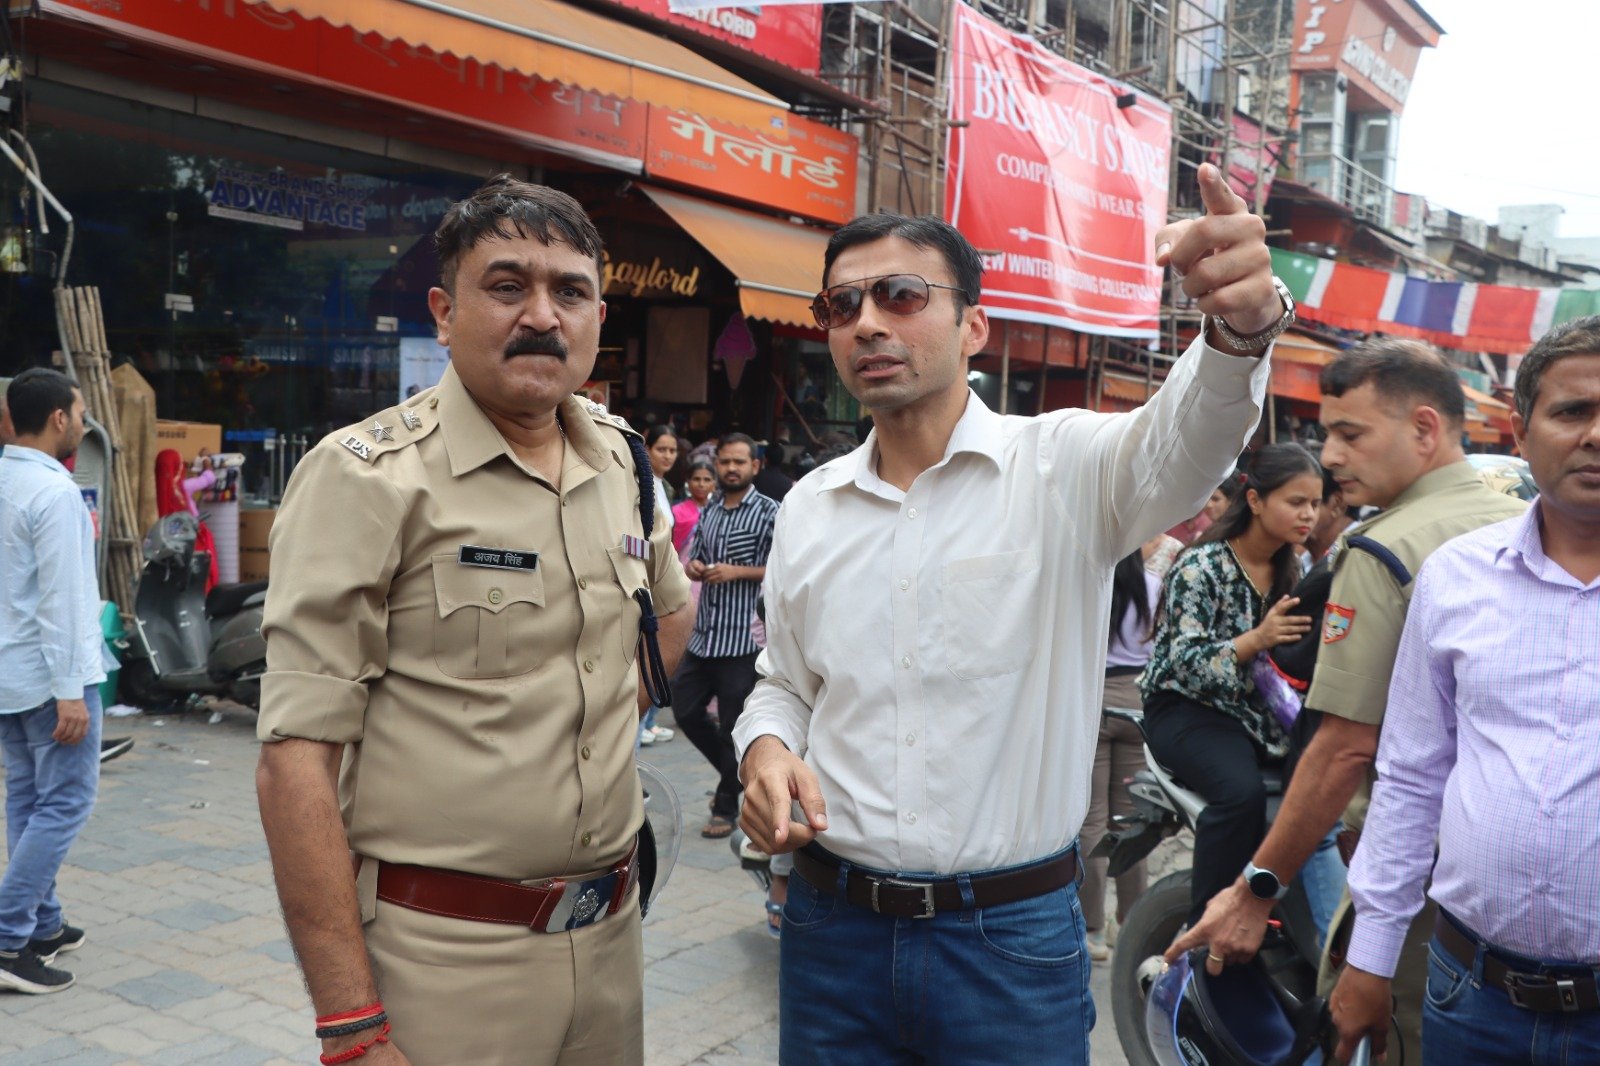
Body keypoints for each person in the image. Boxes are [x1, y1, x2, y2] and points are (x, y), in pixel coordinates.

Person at [733, 162, 1292, 1063]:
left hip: (1007, 943)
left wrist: (1238, 330)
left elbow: (1185, 443)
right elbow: (784, 684)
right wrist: (764, 750)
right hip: (831, 930)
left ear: (973, 327)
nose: (867, 322)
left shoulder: (1063, 467)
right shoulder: (810, 506)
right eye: (841, 305)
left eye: (900, 295)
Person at [254, 175, 694, 1066]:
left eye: (570, 291)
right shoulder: (368, 477)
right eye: (507, 286)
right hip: (444, 960)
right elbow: (295, 760)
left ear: (598, 316)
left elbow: (669, 617)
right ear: (445, 312)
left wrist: (583, 730)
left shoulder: (622, 460)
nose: (542, 315)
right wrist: (351, 1027)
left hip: (612, 942)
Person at [1166, 339, 1527, 1061]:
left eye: (1350, 434)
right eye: (1328, 435)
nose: (1330, 457)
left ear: (1424, 428)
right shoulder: (1522, 522)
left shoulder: (1381, 550)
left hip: (1415, 884)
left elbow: (1344, 749)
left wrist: (1255, 890)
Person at [1330, 317, 1600, 1065]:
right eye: (1572, 411)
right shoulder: (1454, 577)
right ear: (1521, 430)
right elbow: (1412, 776)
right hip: (1471, 998)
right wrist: (1370, 956)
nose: (1595, 435)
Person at [1140, 443, 1322, 925]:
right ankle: (1211, 927)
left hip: (1256, 714)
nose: (1308, 514)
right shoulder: (1200, 566)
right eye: (1296, 502)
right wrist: (1257, 639)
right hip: (1187, 710)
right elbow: (1183, 663)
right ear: (1256, 500)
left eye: (1315, 503)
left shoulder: (1294, 570)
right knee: (1241, 795)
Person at [0, 368, 108, 994]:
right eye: (82, 414)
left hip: (11, 675)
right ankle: (8, 937)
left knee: (27, 798)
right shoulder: (55, 492)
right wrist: (71, 690)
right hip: (50, 679)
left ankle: (42, 923)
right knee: (64, 802)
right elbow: (63, 600)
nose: (85, 425)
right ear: (59, 418)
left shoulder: (6, 480)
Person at [672, 432, 779, 839]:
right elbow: (694, 554)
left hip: (741, 639)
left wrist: (738, 572)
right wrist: (695, 566)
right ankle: (736, 778)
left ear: (755, 466)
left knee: (733, 724)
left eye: (739, 462)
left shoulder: (769, 511)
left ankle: (725, 805)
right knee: (685, 710)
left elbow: (782, 565)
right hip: (704, 636)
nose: (731, 468)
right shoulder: (712, 507)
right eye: (725, 461)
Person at [1080, 543, 1163, 961]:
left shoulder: (1092, 583)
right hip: (1137, 703)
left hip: (1094, 700)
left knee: (1092, 820)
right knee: (1132, 820)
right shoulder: (1154, 586)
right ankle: (1132, 923)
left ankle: (1092, 930)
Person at [638, 425, 680, 748]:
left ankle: (647, 720)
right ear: (647, 449)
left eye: (672, 450)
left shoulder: (665, 487)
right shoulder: (639, 482)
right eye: (661, 449)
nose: (667, 456)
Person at [671, 458, 715, 557]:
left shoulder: (719, 512)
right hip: (680, 564)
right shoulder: (676, 511)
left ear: (714, 484)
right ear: (688, 482)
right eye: (696, 479)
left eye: (707, 480)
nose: (701, 484)